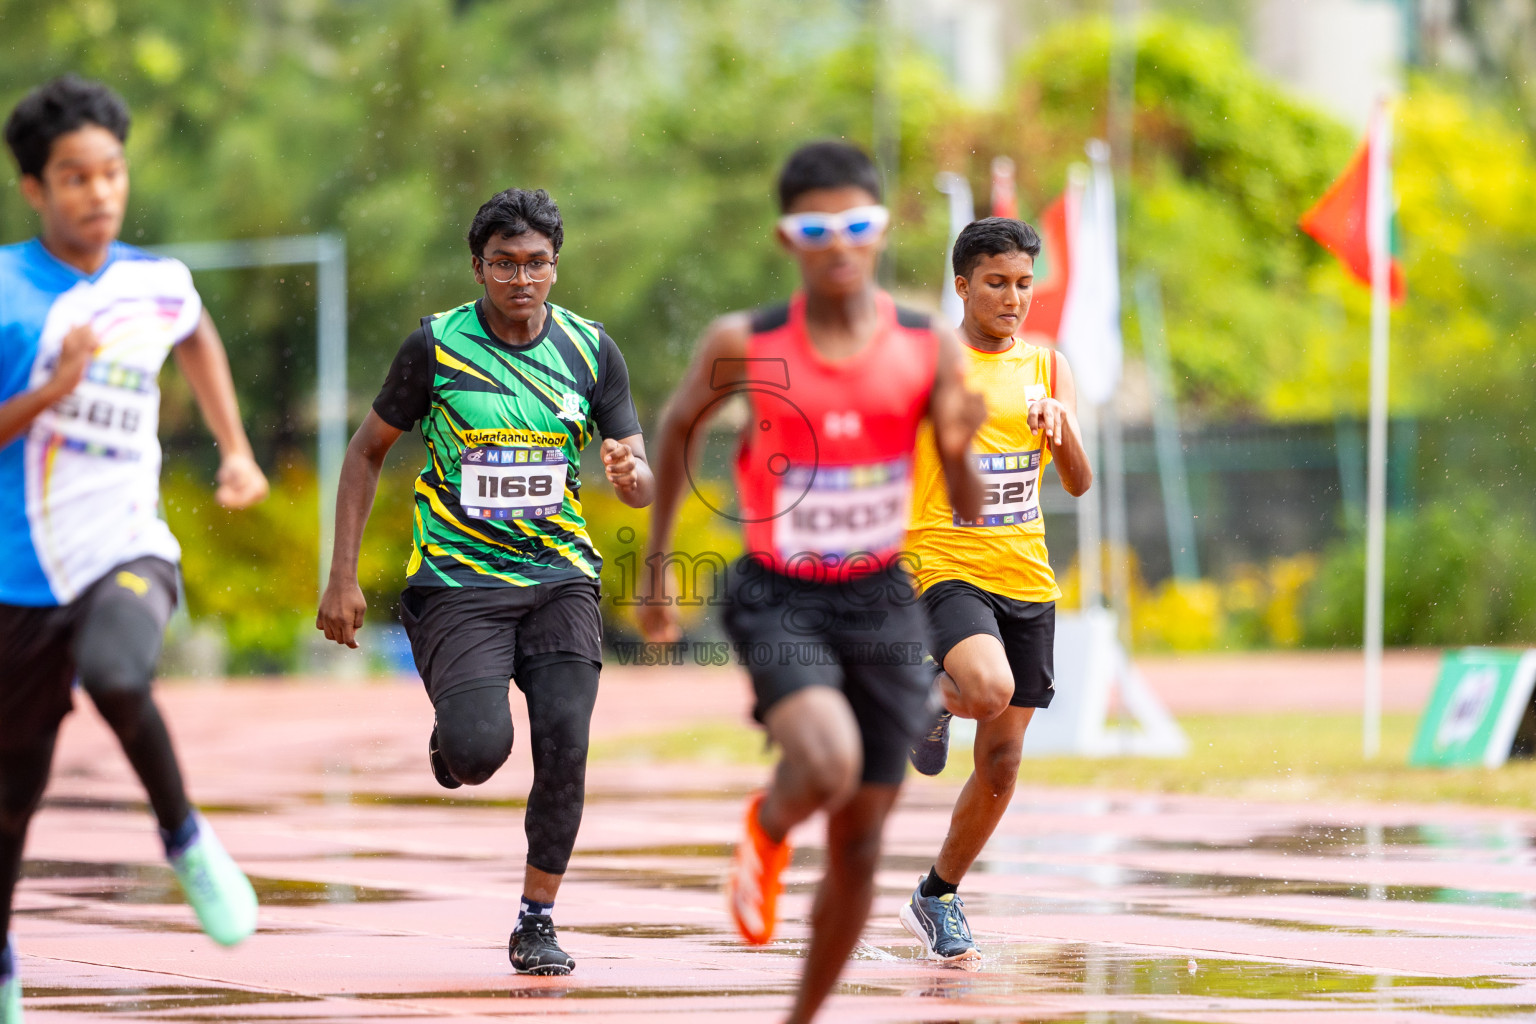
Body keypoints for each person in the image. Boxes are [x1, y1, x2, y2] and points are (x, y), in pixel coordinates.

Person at [639, 141, 984, 1023]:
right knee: (826, 760)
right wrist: (655, 572)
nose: (841, 245)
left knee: (864, 842)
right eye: (817, 228)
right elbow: (679, 428)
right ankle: (767, 823)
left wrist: (957, 448)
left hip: (880, 599)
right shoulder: (745, 341)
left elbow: (971, 503)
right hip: (778, 593)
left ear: (881, 231)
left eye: (858, 226)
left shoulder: (924, 344)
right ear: (787, 237)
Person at [316, 187, 653, 977]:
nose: (521, 279)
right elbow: (367, 452)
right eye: (504, 263)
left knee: (565, 746)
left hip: (560, 577)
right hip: (457, 583)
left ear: (555, 267)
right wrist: (341, 576)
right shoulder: (435, 348)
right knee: (479, 752)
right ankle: (455, 744)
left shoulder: (591, 350)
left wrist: (631, 471)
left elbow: (636, 479)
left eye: (536, 263)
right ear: (478, 267)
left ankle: (537, 919)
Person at [0, 76, 270, 1022]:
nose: (100, 193)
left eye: (112, 172)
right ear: (35, 188)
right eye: (75, 177)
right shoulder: (4, 289)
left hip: (126, 545)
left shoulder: (159, 284)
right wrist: (48, 392)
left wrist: (235, 449)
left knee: (120, 674)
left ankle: (186, 838)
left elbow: (196, 337)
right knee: (12, 792)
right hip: (17, 577)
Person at [898, 216, 1092, 962]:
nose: (1013, 298)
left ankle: (938, 893)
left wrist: (1060, 426)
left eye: (1023, 284)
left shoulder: (1048, 368)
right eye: (996, 283)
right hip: (944, 564)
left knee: (1002, 764)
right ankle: (920, 696)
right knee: (984, 689)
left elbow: (1077, 481)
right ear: (962, 286)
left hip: (1027, 577)